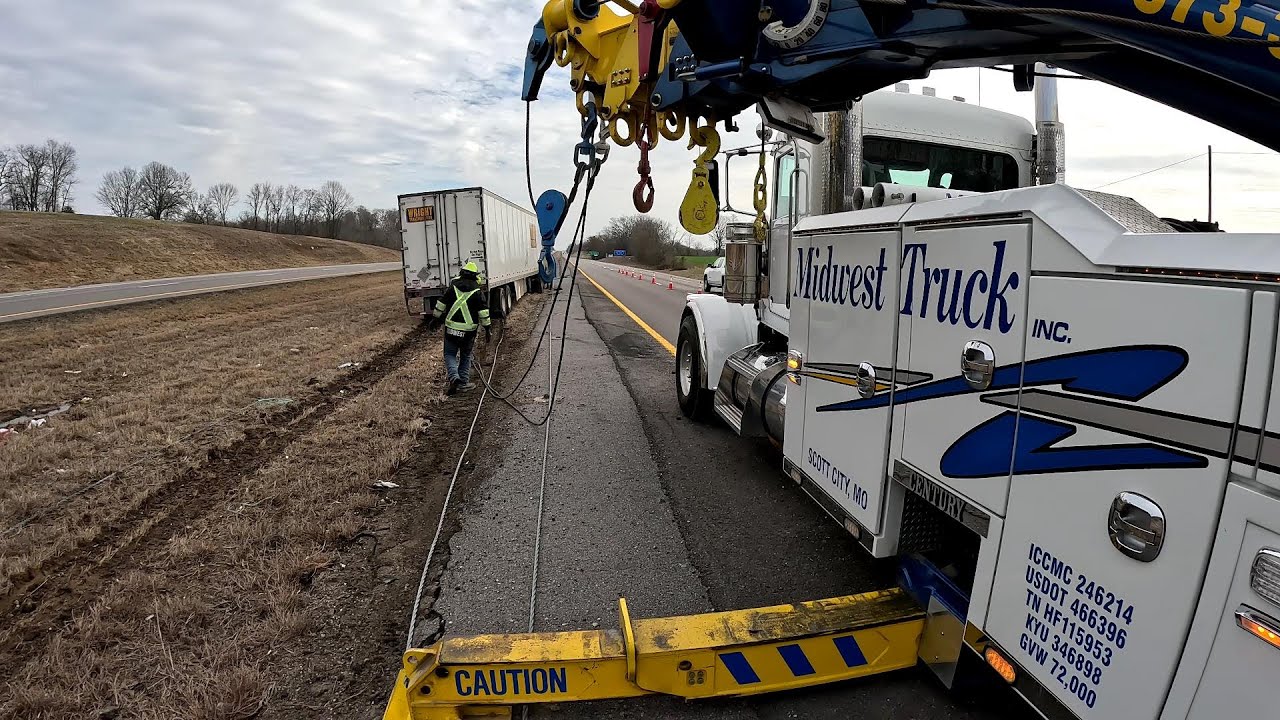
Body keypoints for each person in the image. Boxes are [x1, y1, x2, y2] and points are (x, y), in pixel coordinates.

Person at [428, 261, 491, 395]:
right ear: (475, 276)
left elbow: (441, 304)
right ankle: (462, 382)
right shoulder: (477, 291)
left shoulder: (453, 287)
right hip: (468, 331)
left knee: (449, 354)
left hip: (451, 329)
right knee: (465, 356)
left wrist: (435, 318)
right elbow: (484, 313)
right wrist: (487, 329)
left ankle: (453, 377)